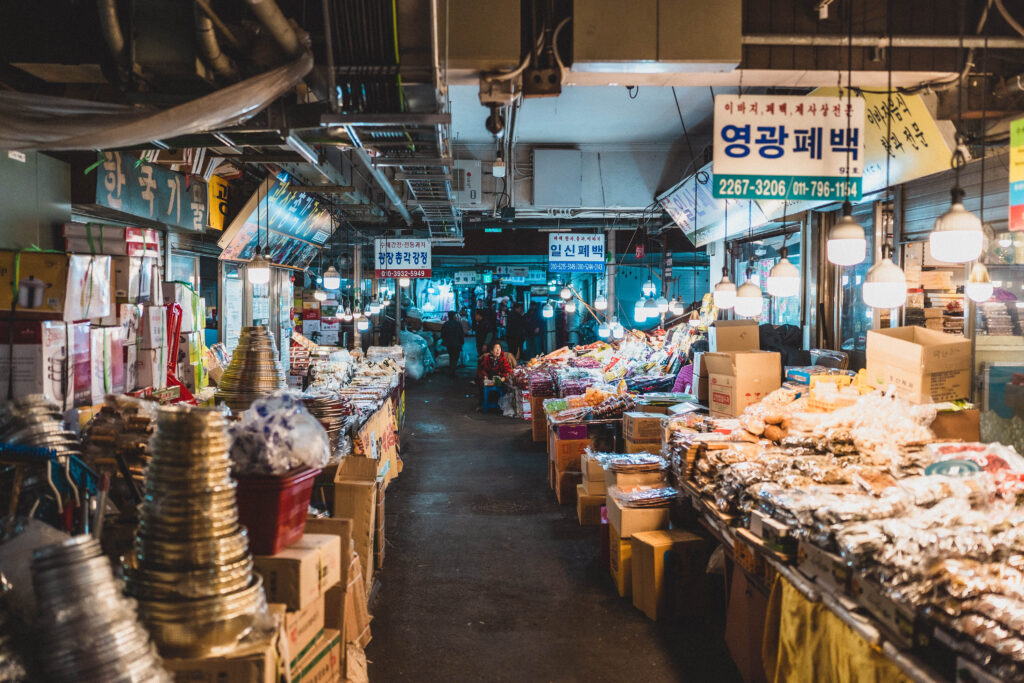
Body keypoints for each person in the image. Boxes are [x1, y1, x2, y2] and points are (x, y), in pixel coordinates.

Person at [441, 311, 465, 378]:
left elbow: (443, 335)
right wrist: (462, 342)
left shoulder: (445, 324)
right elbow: (461, 334)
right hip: (457, 344)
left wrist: (445, 342)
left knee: (451, 357)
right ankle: (452, 372)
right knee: (455, 358)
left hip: (449, 344)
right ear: (454, 316)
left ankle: (451, 371)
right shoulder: (458, 324)